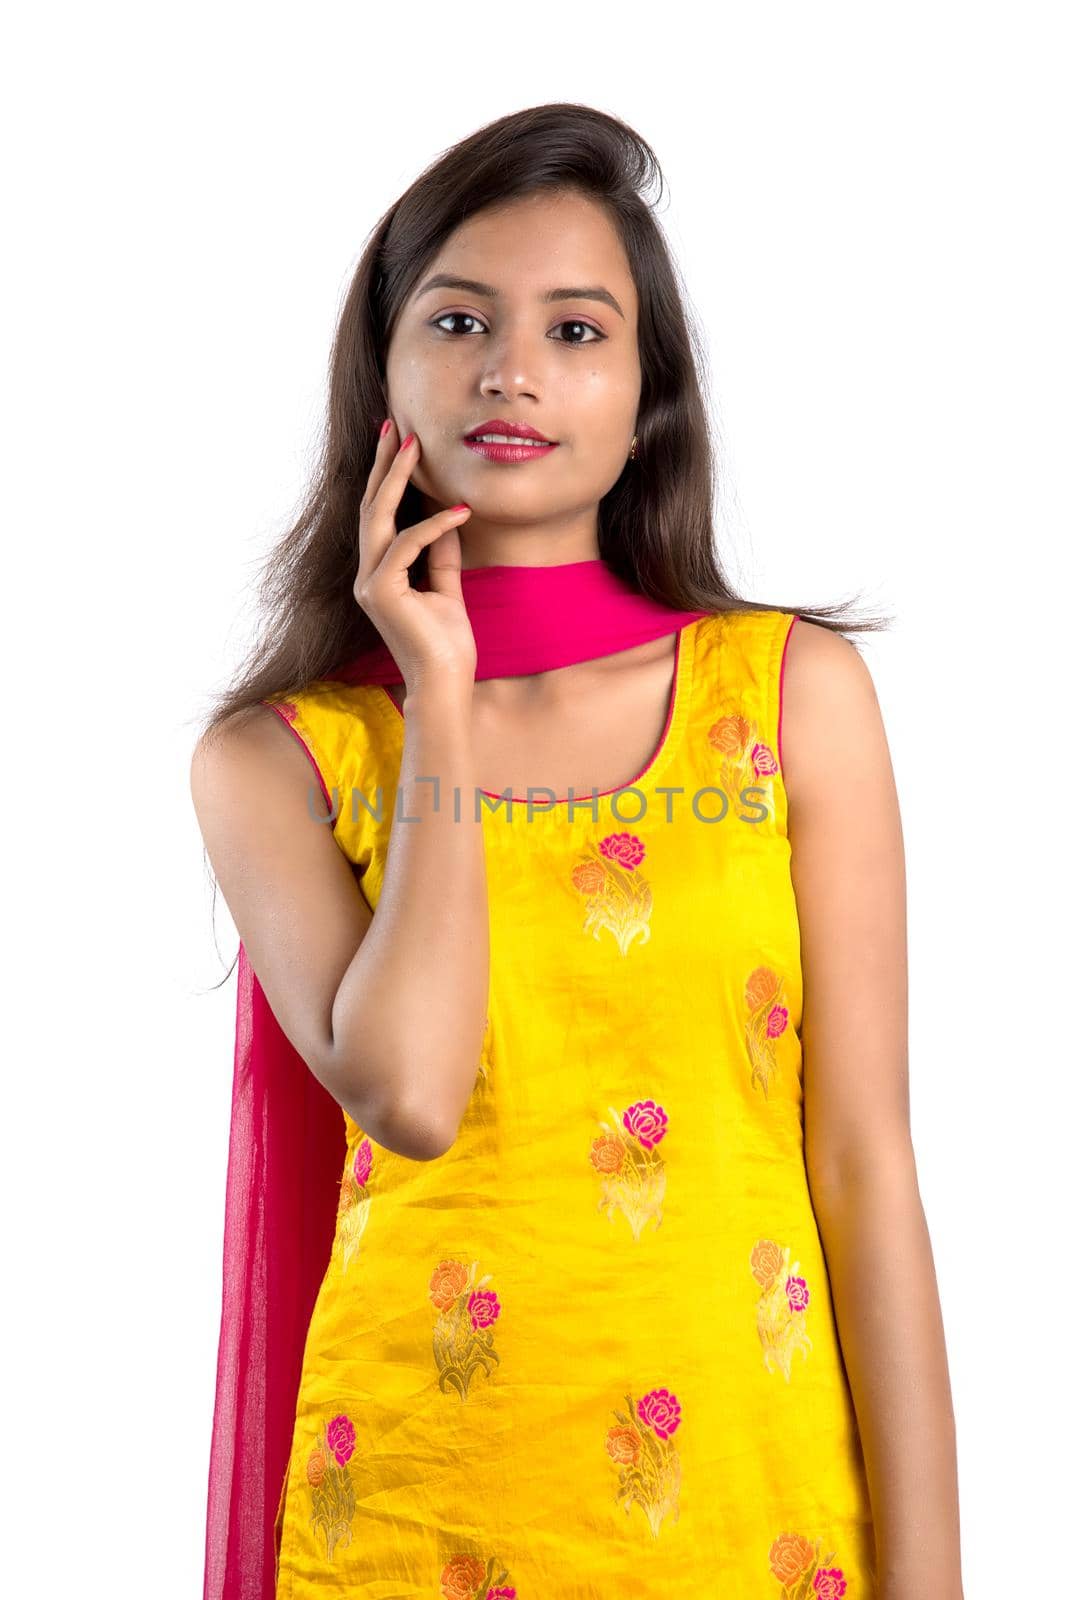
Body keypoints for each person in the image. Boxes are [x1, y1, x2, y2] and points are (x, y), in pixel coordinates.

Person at [191, 104, 964, 1600]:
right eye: (462, 319)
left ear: (646, 396)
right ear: (384, 378)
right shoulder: (280, 758)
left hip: (759, 1514)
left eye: (577, 329)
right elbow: (409, 1091)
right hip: (413, 1513)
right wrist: (438, 693)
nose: (513, 370)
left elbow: (865, 1163)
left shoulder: (787, 696)